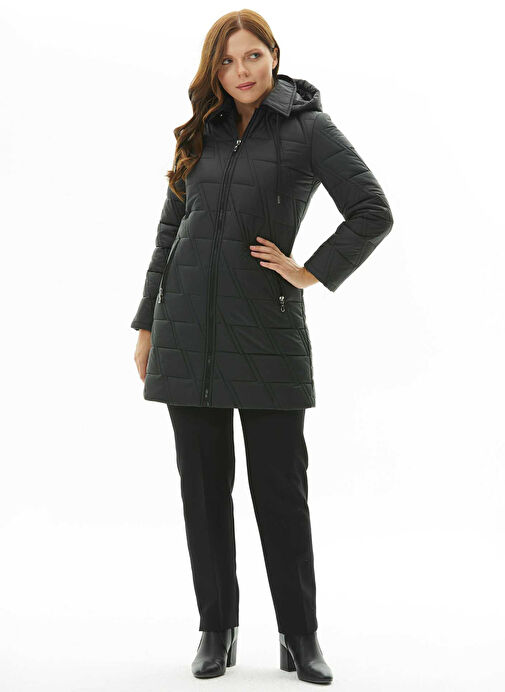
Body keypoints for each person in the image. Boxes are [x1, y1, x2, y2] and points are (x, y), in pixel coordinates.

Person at [132, 9, 393, 685]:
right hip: (186, 331)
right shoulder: (202, 130)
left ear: (273, 55)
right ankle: (215, 630)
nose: (240, 71)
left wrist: (310, 271)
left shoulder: (309, 128)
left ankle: (298, 636)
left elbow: (372, 210)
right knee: (202, 492)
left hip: (267, 333)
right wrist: (147, 323)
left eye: (251, 55)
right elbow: (170, 232)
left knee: (280, 492)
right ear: (213, 71)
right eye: (226, 61)